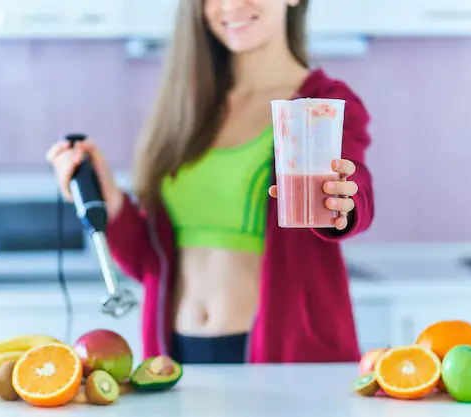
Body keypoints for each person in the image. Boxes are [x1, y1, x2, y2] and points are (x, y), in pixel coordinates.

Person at [46, 0, 374, 364]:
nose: (232, 5)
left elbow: (354, 183)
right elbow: (149, 262)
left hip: (284, 358)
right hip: (178, 358)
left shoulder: (323, 103)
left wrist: (343, 203)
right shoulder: (186, 108)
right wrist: (112, 202)